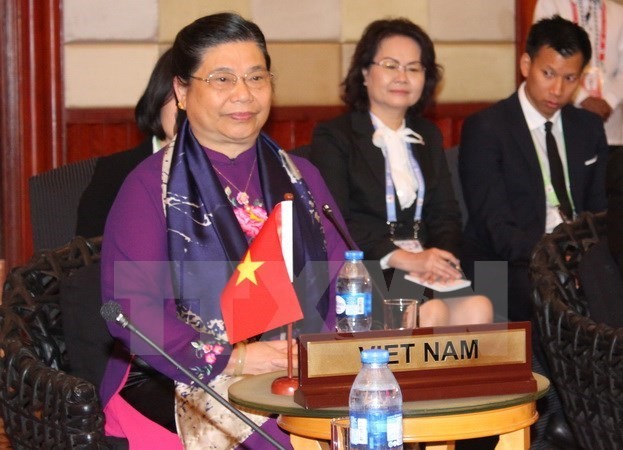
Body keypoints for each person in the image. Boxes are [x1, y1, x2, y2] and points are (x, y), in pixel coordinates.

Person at [99, 12, 349, 449]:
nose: (244, 95)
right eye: (222, 79)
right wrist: (236, 357)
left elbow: (339, 275)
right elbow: (133, 311)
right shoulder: (148, 186)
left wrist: (312, 352)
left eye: (256, 77)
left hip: (295, 364)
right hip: (178, 374)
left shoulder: (302, 177)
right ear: (181, 91)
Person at [309, 18, 493, 328]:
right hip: (366, 267)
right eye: (391, 65)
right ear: (365, 73)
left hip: (425, 266)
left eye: (414, 68)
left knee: (480, 307)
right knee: (432, 314)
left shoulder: (428, 135)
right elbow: (336, 220)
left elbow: (446, 216)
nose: (402, 77)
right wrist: (404, 258)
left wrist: (439, 260)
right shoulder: (335, 136)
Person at [459, 15, 608, 324]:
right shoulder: (487, 128)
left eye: (570, 78)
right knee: (558, 304)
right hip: (507, 263)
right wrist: (557, 260)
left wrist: (585, 261)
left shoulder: (589, 128)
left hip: (578, 260)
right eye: (548, 73)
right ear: (526, 65)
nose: (557, 89)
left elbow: (599, 212)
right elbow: (496, 228)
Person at [76, 48, 178, 238]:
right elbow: (91, 260)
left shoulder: (233, 172)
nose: (188, 108)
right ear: (158, 95)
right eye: (180, 92)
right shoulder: (114, 174)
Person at [533, 0, 623, 153]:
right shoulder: (551, 4)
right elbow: (545, 60)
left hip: (611, 130)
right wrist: (583, 98)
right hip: (563, 124)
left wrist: (610, 101)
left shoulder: (619, 12)